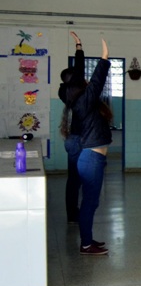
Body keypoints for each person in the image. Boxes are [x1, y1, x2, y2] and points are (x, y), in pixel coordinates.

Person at [60, 38, 113, 256]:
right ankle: (86, 244)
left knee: (90, 202)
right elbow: (97, 81)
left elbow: (81, 77)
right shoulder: (84, 101)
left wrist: (79, 49)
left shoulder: (77, 101)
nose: (85, 83)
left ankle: (87, 240)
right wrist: (104, 59)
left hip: (91, 156)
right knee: (90, 202)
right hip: (91, 157)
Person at [58, 31, 86, 223]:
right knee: (81, 178)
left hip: (72, 138)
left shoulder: (63, 92)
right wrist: (79, 46)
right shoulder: (75, 90)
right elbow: (80, 68)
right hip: (79, 139)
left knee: (73, 179)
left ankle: (72, 213)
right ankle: (76, 213)